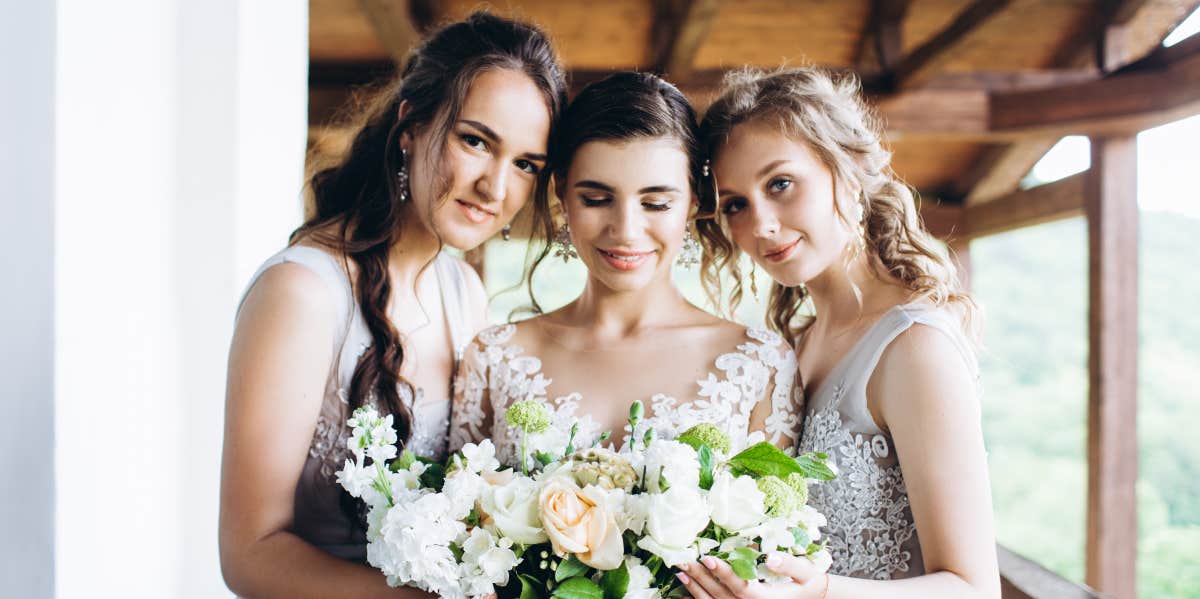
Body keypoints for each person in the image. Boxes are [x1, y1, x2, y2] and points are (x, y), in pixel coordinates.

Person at [218, 13, 567, 598]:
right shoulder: (301, 293)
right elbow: (249, 555)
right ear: (411, 125)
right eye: (476, 141)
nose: (496, 188)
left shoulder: (464, 292)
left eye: (526, 164)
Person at [676, 67, 999, 599]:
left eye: (780, 184)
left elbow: (972, 588)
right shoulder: (795, 345)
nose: (761, 225)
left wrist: (821, 593)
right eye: (735, 204)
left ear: (846, 172)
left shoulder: (915, 347)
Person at [449, 71, 801, 466]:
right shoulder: (495, 357)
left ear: (692, 202)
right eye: (597, 199)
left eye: (655, 204)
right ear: (562, 195)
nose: (626, 231)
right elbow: (460, 512)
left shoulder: (758, 363)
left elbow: (780, 525)